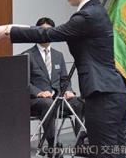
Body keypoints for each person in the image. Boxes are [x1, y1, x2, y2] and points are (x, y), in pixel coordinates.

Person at [0, 0, 126, 158]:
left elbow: (49, 34)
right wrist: (10, 26)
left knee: (105, 154)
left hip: (103, 96)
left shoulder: (87, 16)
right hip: (114, 93)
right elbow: (49, 31)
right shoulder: (95, 12)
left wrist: (10, 30)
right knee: (116, 153)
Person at [25, 17, 84, 156]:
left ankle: (80, 142)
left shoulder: (59, 55)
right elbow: (24, 82)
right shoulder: (27, 55)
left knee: (79, 102)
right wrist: (39, 92)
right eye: (43, 31)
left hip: (58, 99)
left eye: (50, 31)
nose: (47, 34)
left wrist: (68, 90)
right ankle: (53, 143)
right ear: (36, 32)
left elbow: (65, 79)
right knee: (48, 103)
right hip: (37, 101)